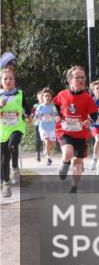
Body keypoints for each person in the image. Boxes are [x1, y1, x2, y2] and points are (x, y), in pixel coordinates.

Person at [53, 66, 99, 193]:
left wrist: (91, 121)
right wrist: (57, 114)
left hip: (81, 134)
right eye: (77, 77)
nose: (81, 80)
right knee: (68, 153)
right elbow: (55, 105)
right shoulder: (62, 94)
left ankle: (74, 187)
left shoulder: (87, 98)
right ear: (70, 80)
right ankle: (65, 162)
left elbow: (94, 115)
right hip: (65, 131)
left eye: (83, 77)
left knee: (78, 162)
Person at [1, 67, 27, 197]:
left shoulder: (20, 94)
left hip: (17, 127)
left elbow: (26, 107)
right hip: (2, 130)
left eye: (11, 78)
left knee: (12, 145)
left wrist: (27, 113)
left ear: (14, 81)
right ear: (1, 82)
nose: (8, 81)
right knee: (4, 159)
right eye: (5, 79)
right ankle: (6, 184)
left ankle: (15, 167)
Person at [33, 88, 58, 165]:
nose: (47, 97)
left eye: (49, 96)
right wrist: (35, 117)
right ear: (43, 98)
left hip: (52, 127)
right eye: (46, 96)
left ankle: (46, 149)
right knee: (47, 141)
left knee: (53, 145)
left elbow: (56, 114)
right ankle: (49, 158)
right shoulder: (40, 107)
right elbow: (36, 115)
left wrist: (56, 117)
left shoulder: (53, 106)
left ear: (51, 97)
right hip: (43, 127)